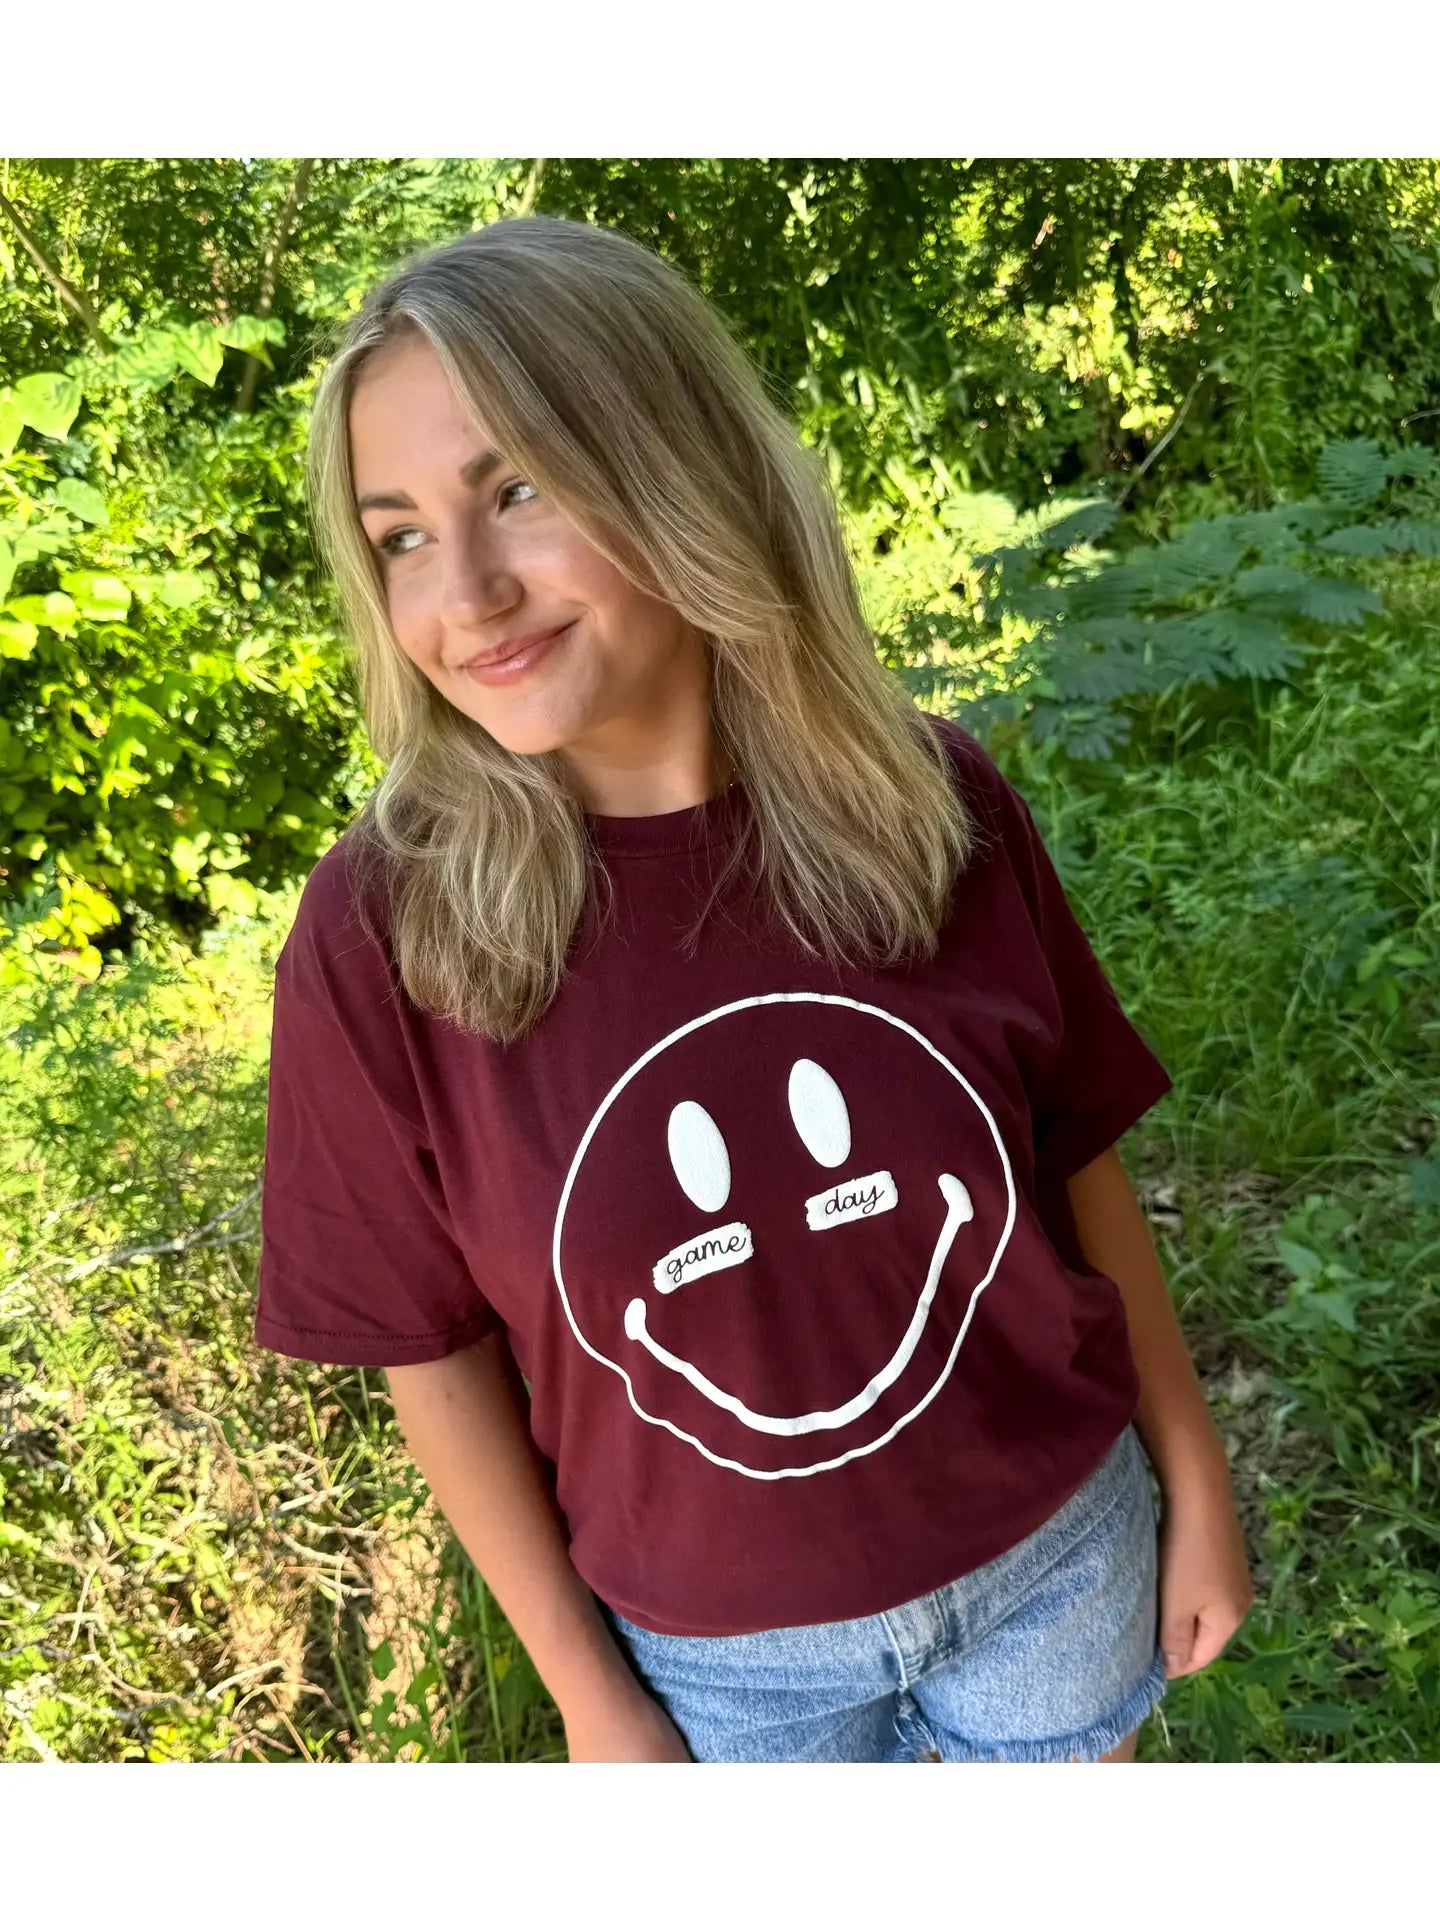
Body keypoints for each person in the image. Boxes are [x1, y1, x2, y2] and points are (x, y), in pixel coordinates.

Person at [254, 214, 1253, 1763]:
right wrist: (593, 1702)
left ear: (676, 465)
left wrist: (1190, 1473)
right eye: (398, 535)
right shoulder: (385, 930)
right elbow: (422, 1346)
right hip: (723, 1674)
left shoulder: (929, 802)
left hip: (1060, 1560)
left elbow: (1073, 1155)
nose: (465, 593)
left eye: (516, 489)